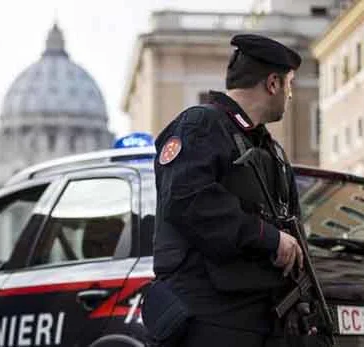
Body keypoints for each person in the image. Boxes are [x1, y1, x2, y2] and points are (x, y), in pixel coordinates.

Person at [144, 34, 310, 347]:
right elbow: (189, 200)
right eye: (290, 84)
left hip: (260, 319)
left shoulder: (270, 149)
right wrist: (268, 238)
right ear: (273, 83)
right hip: (210, 318)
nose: (290, 95)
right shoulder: (201, 125)